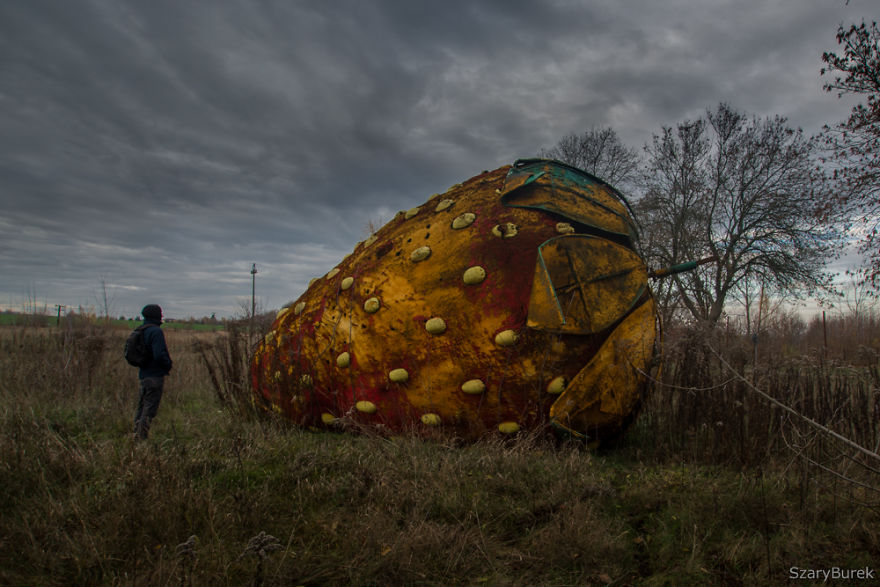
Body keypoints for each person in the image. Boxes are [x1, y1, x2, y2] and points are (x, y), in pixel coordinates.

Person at [134, 304, 173, 439]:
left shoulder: (141, 330)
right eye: (160, 314)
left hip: (143, 375)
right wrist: (168, 365)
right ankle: (141, 439)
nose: (162, 316)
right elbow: (159, 354)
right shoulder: (155, 332)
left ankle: (136, 435)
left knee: (142, 407)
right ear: (156, 316)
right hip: (155, 376)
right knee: (149, 410)